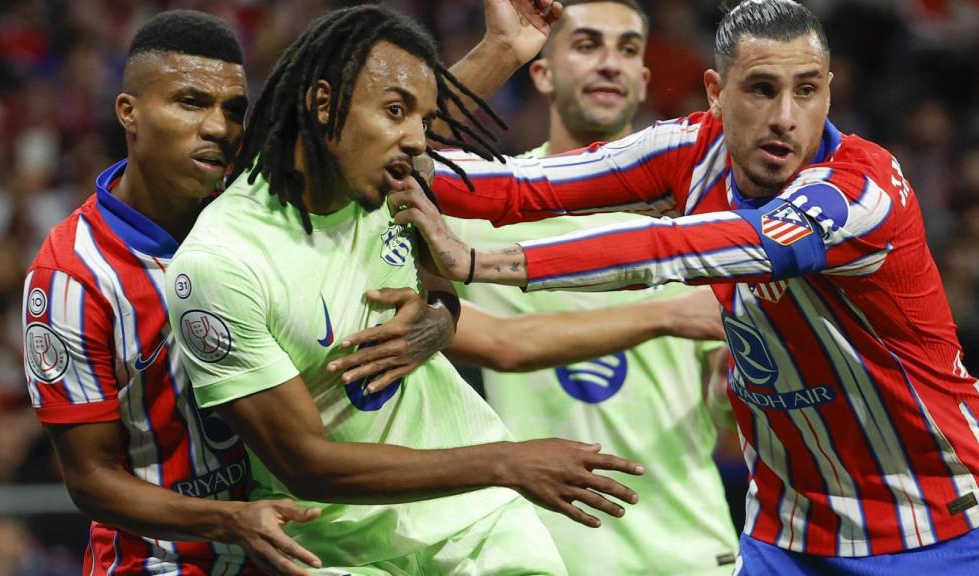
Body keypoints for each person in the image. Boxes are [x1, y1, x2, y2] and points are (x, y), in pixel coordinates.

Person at [394, 0, 979, 573]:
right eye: (760, 89)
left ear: (829, 89)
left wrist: (477, 262)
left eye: (806, 91)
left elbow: (681, 249)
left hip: (935, 524)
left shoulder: (860, 191)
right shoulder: (691, 152)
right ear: (715, 93)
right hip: (787, 532)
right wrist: (391, 134)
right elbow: (513, 185)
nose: (785, 116)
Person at [165, 4, 640, 575]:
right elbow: (305, 464)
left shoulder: (387, 178)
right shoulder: (223, 263)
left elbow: (404, 126)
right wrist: (508, 461)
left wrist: (442, 311)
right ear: (322, 105)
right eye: (396, 113)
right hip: (338, 553)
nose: (418, 141)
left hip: (477, 524)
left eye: (423, 121)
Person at [21, 12, 328, 575]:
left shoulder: (258, 214)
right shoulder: (71, 274)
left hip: (296, 550)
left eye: (233, 110)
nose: (218, 128)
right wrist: (228, 520)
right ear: (129, 113)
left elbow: (376, 138)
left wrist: (438, 307)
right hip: (161, 563)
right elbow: (91, 481)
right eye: (191, 103)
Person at [443, 1, 739, 573]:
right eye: (587, 45)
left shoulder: (694, 213)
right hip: (546, 554)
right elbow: (400, 148)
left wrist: (735, 388)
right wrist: (496, 48)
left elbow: (719, 392)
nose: (610, 63)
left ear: (644, 79)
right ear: (543, 71)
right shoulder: (484, 211)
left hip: (690, 551)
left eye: (628, 49)